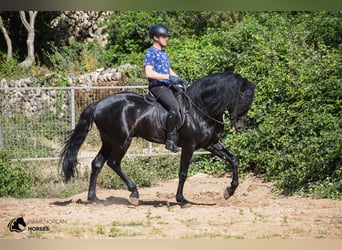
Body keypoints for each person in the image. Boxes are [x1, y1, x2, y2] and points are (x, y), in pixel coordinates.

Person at [144, 24, 187, 153]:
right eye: (164, 36)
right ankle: (170, 140)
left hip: (168, 85)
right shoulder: (150, 52)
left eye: (167, 36)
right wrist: (168, 77)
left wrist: (179, 79)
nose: (167, 39)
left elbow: (167, 69)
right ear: (155, 37)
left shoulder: (163, 53)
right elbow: (149, 73)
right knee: (174, 107)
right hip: (158, 87)